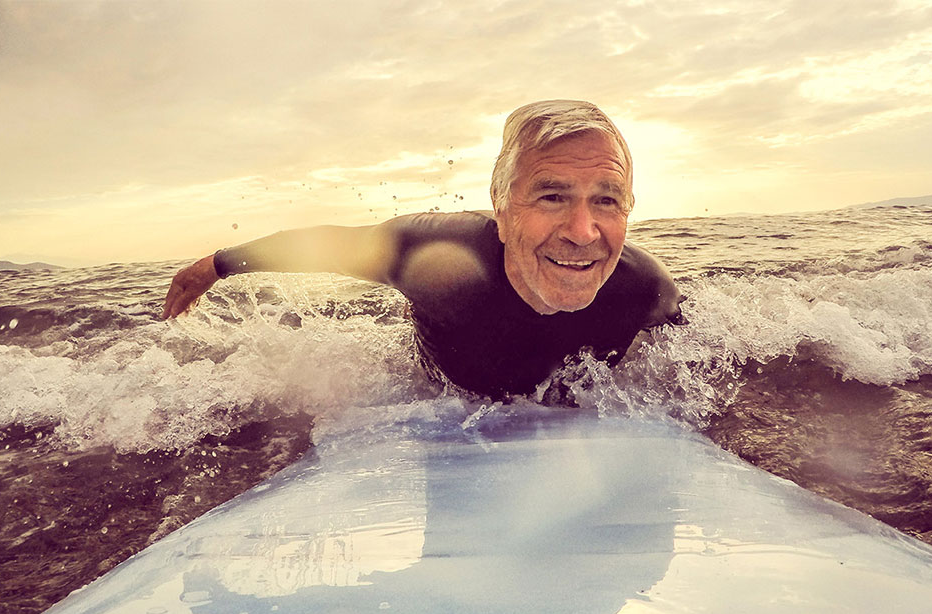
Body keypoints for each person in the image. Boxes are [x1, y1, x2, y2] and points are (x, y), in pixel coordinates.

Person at [162, 100, 686, 400]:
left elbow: (700, 358)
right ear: (501, 207)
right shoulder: (434, 256)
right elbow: (327, 246)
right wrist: (219, 265)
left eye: (607, 200)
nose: (582, 231)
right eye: (551, 196)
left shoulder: (644, 289)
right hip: (440, 391)